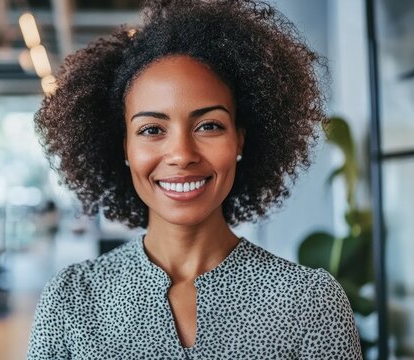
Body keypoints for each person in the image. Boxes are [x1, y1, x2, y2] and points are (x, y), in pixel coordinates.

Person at [27, 0, 361, 358]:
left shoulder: (309, 303)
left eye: (209, 125)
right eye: (152, 129)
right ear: (123, 147)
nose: (182, 154)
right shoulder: (70, 302)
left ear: (240, 140)